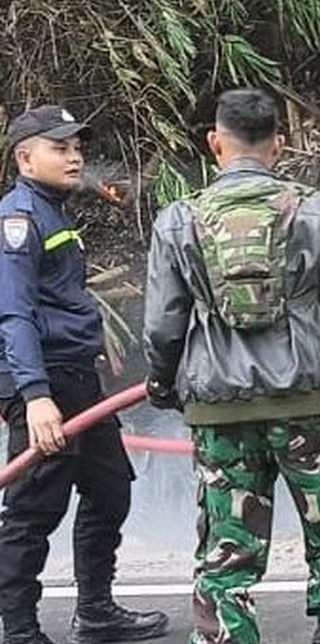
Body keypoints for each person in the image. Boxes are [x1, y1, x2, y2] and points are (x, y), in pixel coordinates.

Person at [142, 89, 320, 644]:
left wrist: (163, 381)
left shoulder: (179, 219)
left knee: (227, 543)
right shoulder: (315, 209)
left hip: (219, 405)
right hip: (308, 400)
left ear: (214, 143)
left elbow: (163, 323)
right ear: (279, 143)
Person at [0, 106, 169, 644]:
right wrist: (35, 396)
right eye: (60, 148)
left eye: (78, 148)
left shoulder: (54, 210)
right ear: (25, 158)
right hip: (44, 382)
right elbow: (14, 312)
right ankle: (21, 630)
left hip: (75, 378)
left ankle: (95, 611)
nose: (75, 157)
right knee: (33, 508)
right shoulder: (19, 219)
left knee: (110, 487)